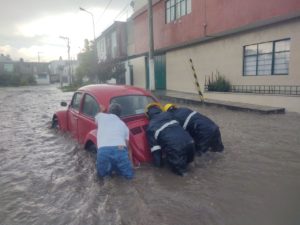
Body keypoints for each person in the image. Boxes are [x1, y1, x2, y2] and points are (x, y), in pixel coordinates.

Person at [145, 102, 195, 176]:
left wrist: (157, 169)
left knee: (183, 176)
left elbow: (156, 151)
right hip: (190, 142)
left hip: (176, 148)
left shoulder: (150, 127)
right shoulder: (170, 115)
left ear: (148, 115)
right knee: (190, 166)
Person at [94, 103, 134, 179]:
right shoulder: (124, 125)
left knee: (102, 179)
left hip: (103, 151)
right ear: (120, 114)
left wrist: (102, 110)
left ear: (109, 111)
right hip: (120, 149)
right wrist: (131, 164)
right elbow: (128, 147)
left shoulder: (101, 116)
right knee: (128, 179)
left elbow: (95, 118)